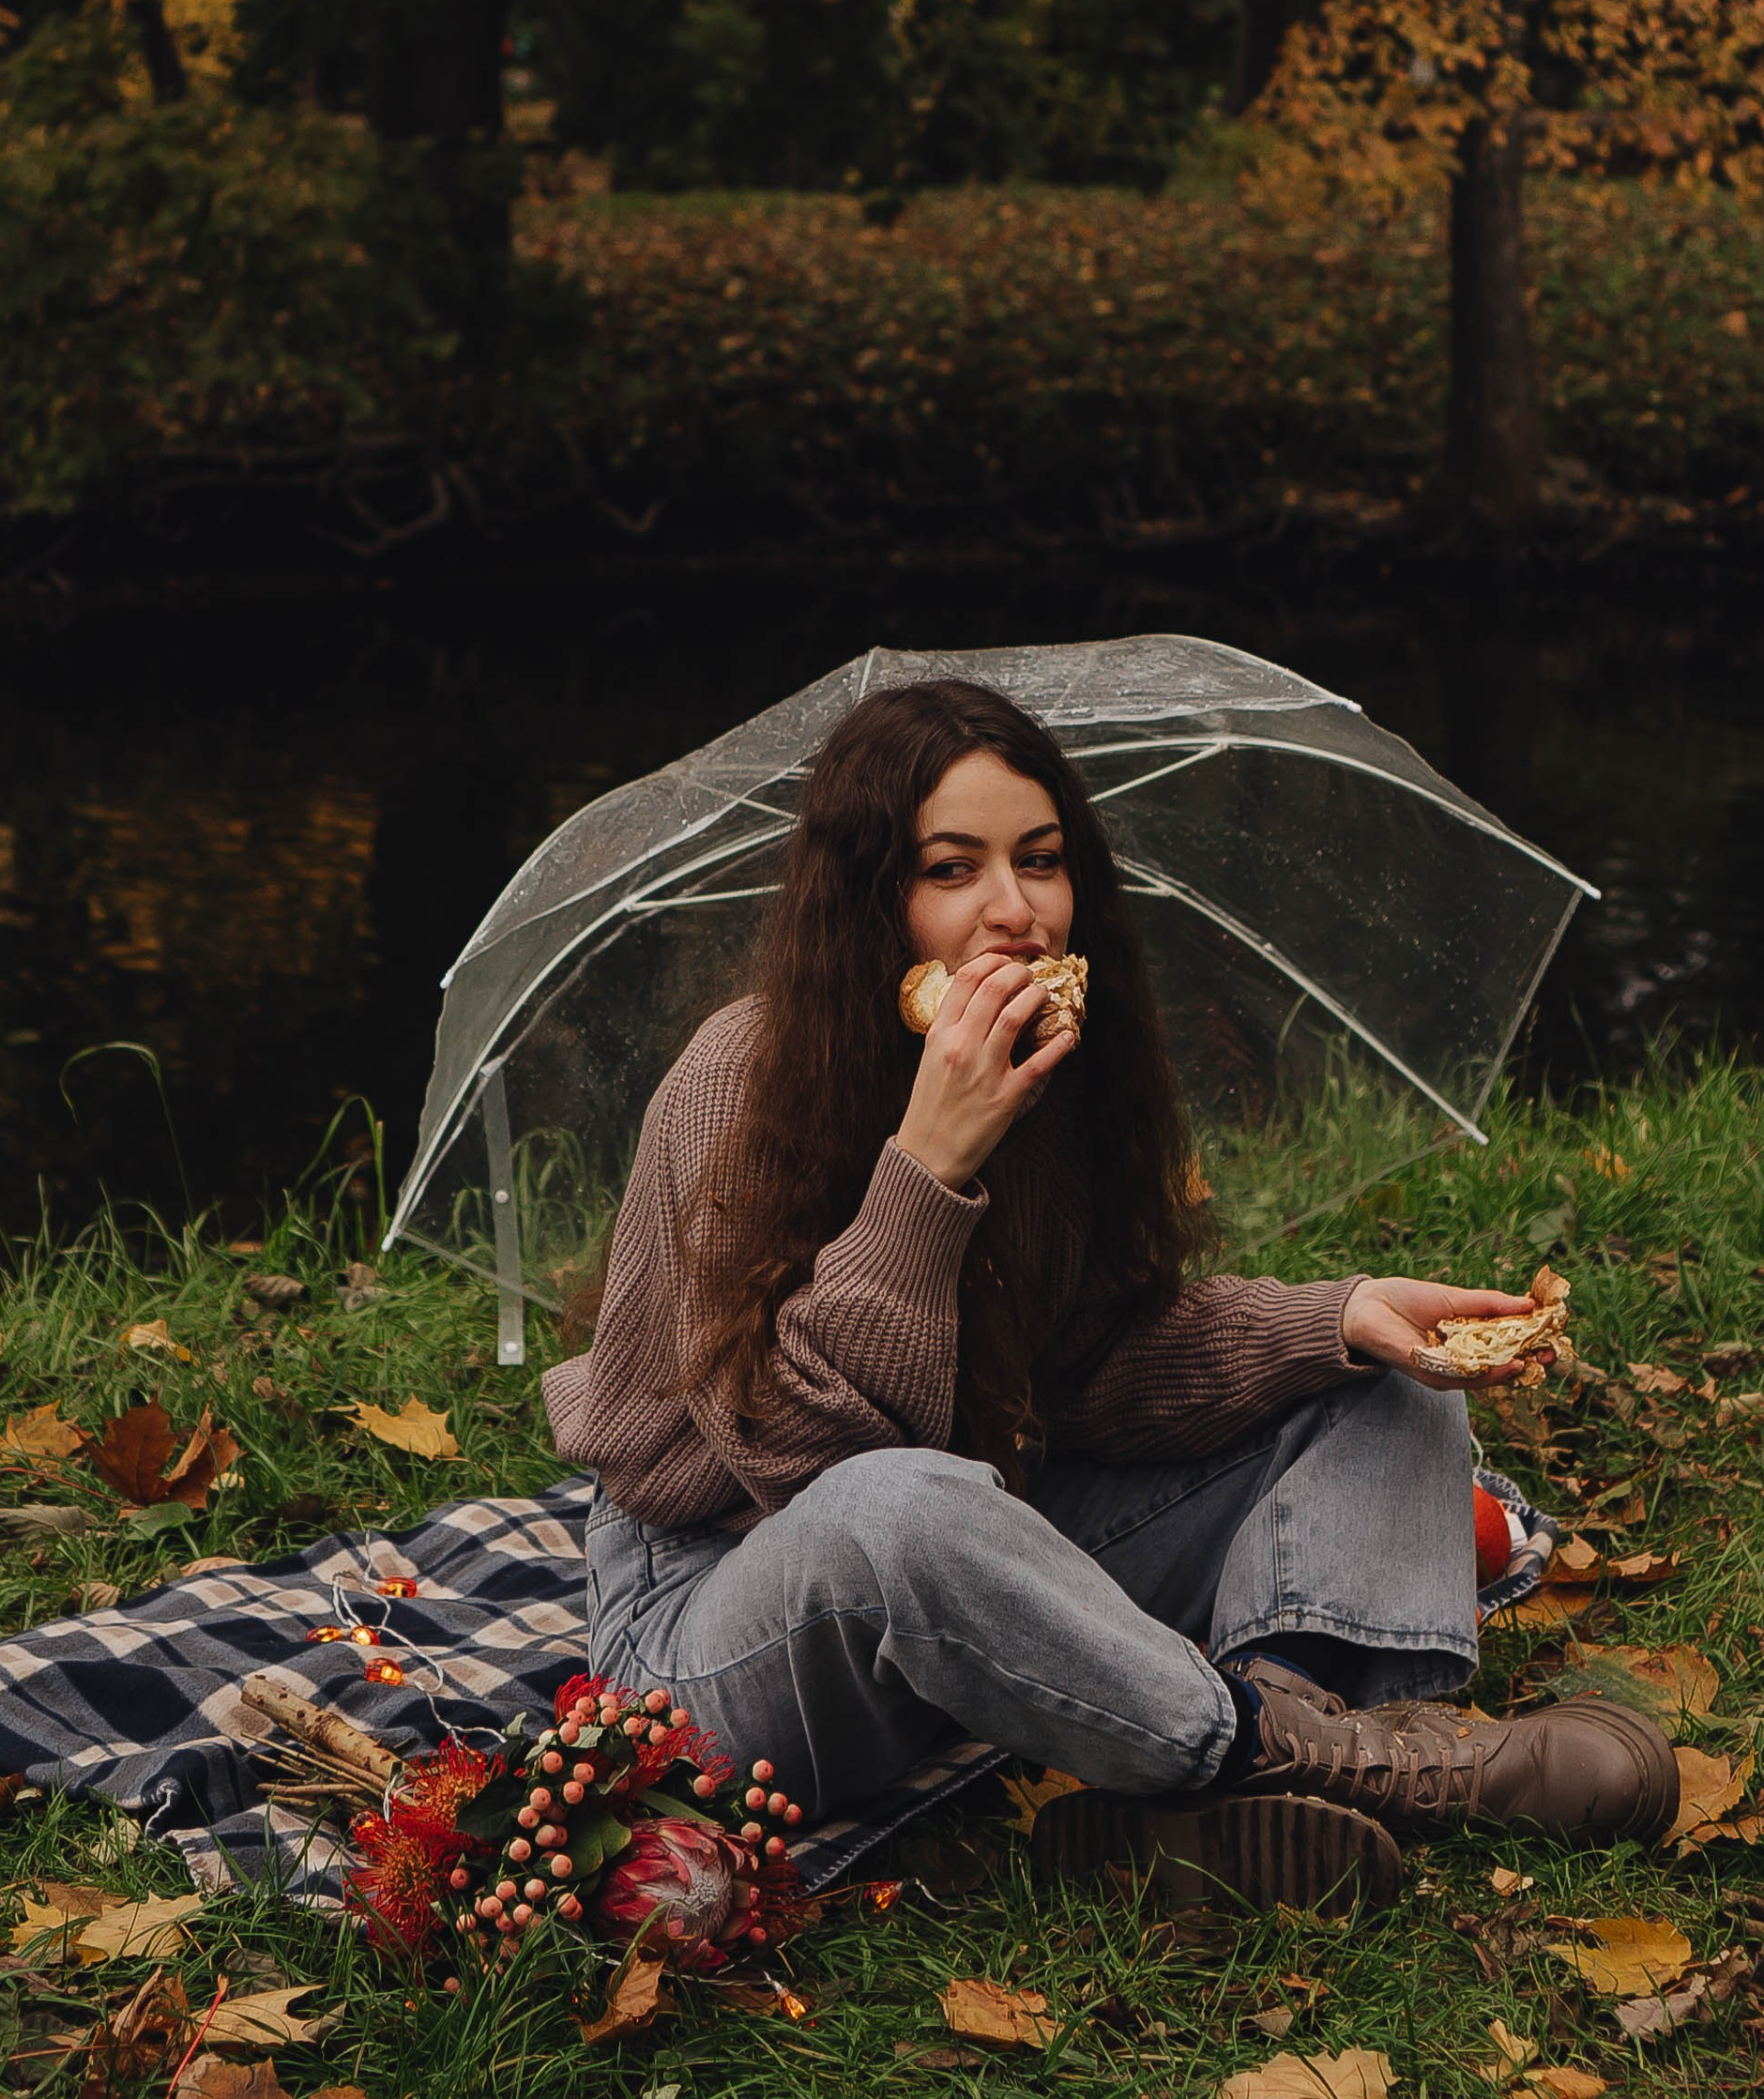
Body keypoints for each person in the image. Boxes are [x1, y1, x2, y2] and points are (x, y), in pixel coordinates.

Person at [545, 677, 1674, 1908]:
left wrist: (1332, 1319)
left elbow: (1090, 1371)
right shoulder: (737, 1082)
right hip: (725, 1620)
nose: (1014, 910)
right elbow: (799, 1469)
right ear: (872, 902)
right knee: (905, 1504)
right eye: (952, 869)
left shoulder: (1058, 1074)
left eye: (1041, 861)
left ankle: (1262, 1761)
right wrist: (926, 1169)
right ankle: (1288, 1752)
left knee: (1387, 1387)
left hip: (988, 1545)